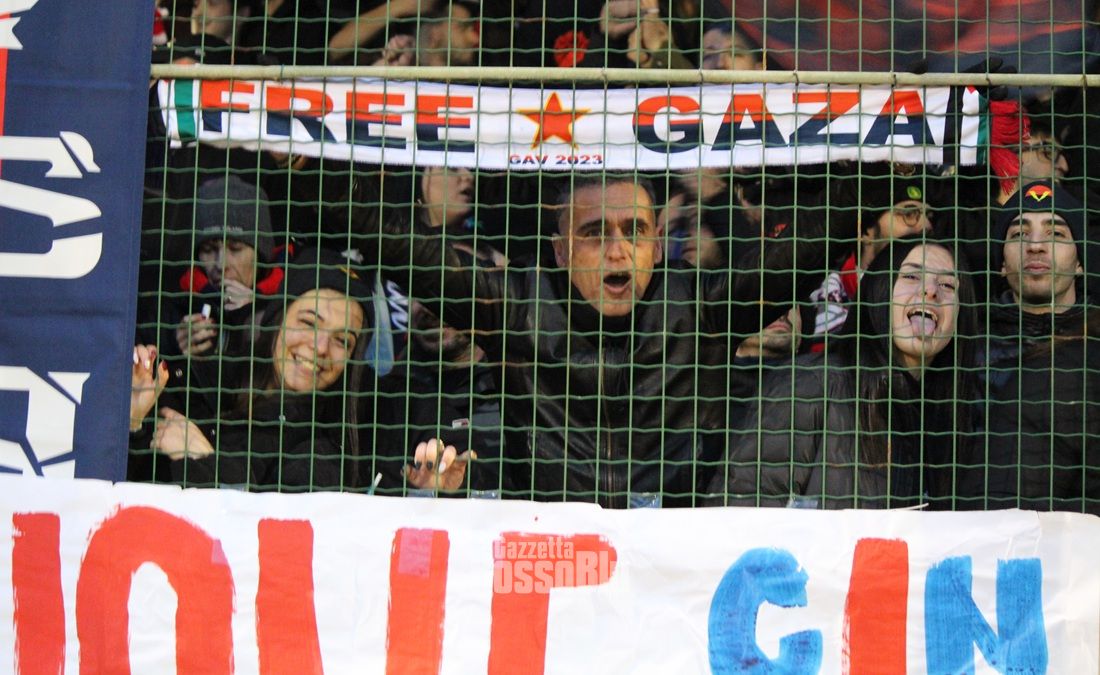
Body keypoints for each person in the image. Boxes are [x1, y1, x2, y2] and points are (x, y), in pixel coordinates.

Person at [362, 172, 848, 507]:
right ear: (561, 251)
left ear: (657, 244)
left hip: (674, 564)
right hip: (559, 559)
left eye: (635, 231)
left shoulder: (700, 306)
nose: (618, 251)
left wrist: (876, 165)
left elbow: (802, 252)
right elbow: (400, 247)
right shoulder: (517, 305)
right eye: (596, 234)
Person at [708, 236, 979, 509]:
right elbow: (743, 506)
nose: (930, 291)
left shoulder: (957, 419)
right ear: (879, 290)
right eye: (911, 276)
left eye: (947, 285)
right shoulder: (811, 385)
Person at [131, 247, 405, 491]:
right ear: (277, 319)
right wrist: (134, 423)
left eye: (342, 341)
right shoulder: (200, 383)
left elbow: (275, 529)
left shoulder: (323, 456)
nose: (321, 347)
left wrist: (207, 463)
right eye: (309, 323)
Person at [961, 181, 1100, 513]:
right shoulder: (965, 348)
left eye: (1056, 233)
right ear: (1001, 262)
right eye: (1019, 234)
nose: (1035, 245)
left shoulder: (1095, 346)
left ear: (1080, 262)